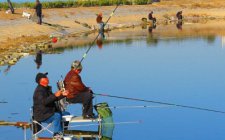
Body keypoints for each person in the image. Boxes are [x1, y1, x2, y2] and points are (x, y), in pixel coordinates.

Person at [33, 72, 70, 139]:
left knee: (67, 114)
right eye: (46, 77)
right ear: (41, 80)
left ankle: (63, 131)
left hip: (49, 112)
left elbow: (53, 98)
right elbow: (44, 102)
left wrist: (63, 95)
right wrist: (55, 95)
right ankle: (57, 135)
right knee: (57, 116)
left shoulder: (46, 89)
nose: (47, 78)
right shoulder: (39, 91)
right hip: (42, 114)